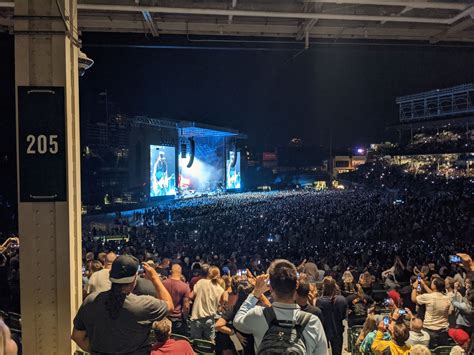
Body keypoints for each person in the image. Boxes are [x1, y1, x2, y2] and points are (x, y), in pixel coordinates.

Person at [71, 255, 174, 354]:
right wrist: (155, 277)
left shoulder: (91, 301)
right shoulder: (143, 305)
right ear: (134, 280)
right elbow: (169, 305)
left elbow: (77, 336)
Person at [234, 259, 328, 355]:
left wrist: (256, 292)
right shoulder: (312, 322)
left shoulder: (258, 315)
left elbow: (237, 321)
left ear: (270, 287)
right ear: (297, 285)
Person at [189, 266, 226, 342]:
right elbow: (223, 301)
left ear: (209, 273)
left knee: (195, 343)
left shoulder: (201, 282)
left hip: (197, 317)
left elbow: (190, 296)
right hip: (210, 318)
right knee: (209, 344)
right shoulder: (219, 288)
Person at [411, 277, 450, 348]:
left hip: (429, 330)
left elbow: (413, 299)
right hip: (443, 331)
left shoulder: (428, 297)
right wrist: (424, 285)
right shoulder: (447, 298)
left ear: (434, 285)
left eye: (432, 282)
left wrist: (414, 287)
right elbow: (435, 294)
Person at [316, 276, 347, 355]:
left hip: (324, 331)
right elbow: (343, 316)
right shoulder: (342, 299)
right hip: (338, 330)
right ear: (335, 286)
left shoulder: (320, 301)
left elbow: (319, 317)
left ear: (324, 287)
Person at [162, 264, 191, 335]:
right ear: (181, 273)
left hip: (164, 317)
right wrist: (185, 318)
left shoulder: (163, 283)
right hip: (178, 320)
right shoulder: (185, 287)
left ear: (171, 271)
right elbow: (186, 306)